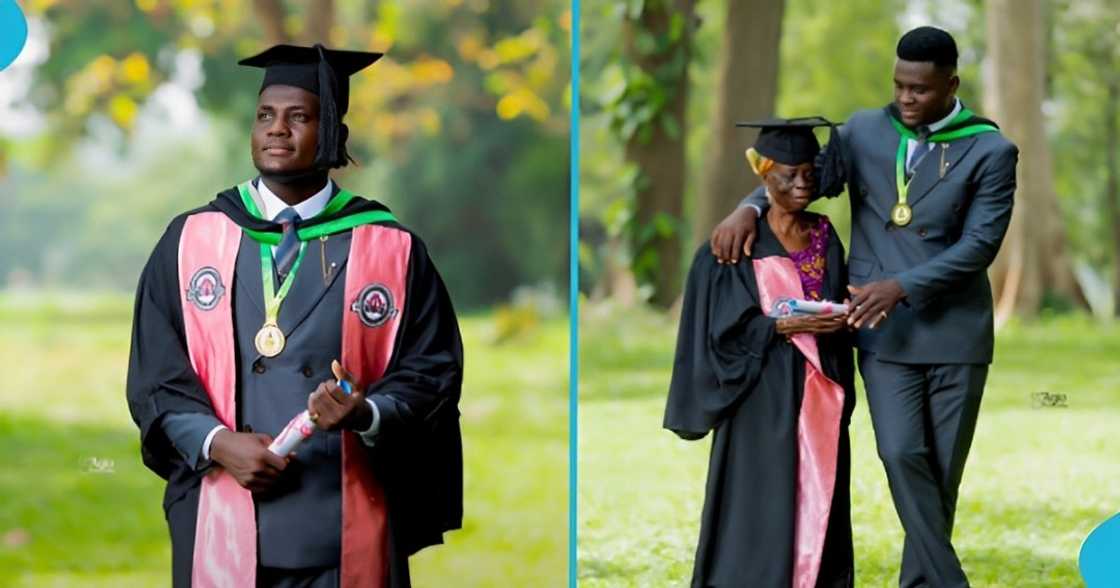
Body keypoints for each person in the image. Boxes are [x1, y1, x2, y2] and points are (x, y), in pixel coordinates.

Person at [126, 43, 463, 588]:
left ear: (335, 136)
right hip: (223, 510)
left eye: (299, 117)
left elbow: (433, 371)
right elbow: (156, 372)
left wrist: (366, 413)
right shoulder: (191, 240)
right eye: (266, 116)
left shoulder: (389, 247)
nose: (277, 130)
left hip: (345, 523)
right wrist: (216, 442)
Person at [710, 27, 1019, 588]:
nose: (905, 98)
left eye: (920, 90)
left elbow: (980, 246)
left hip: (956, 333)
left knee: (939, 477)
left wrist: (901, 286)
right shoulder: (863, 132)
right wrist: (748, 207)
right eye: (899, 85)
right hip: (882, 335)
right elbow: (804, 180)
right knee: (901, 455)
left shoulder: (992, 150)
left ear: (950, 84)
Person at [666, 118, 856, 587]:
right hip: (759, 395)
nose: (799, 183)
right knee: (759, 500)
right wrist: (785, 326)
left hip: (819, 394)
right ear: (762, 174)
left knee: (820, 496)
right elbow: (723, 330)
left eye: (809, 173)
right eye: (787, 174)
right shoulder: (736, 245)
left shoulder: (825, 235)